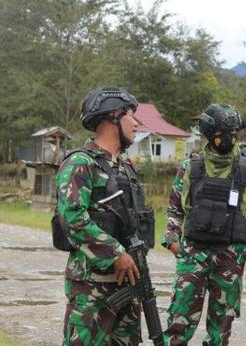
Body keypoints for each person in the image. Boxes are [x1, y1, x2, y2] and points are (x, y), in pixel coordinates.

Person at [161, 103, 246, 346]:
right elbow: (175, 209)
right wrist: (173, 242)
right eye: (222, 133)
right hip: (193, 256)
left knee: (221, 331)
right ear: (209, 134)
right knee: (178, 322)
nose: (229, 138)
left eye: (232, 133)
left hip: (230, 258)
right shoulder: (190, 167)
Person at [56, 86, 148, 345]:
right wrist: (116, 254)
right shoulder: (80, 163)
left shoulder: (127, 168)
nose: (136, 122)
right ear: (113, 117)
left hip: (129, 283)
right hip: (91, 286)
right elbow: (72, 219)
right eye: (131, 114)